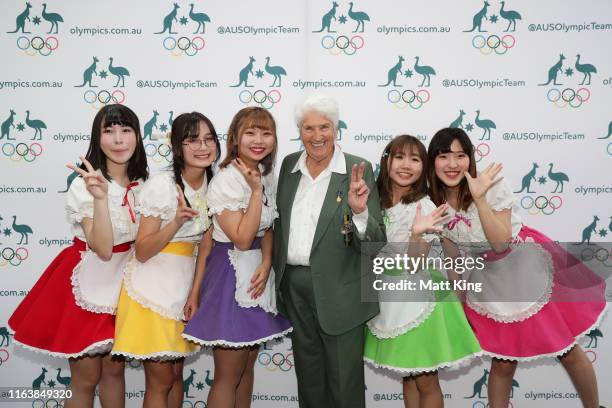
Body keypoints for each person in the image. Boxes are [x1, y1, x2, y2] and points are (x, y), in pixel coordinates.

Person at [428, 127, 606, 408]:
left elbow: (500, 243)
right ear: (432, 161)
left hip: (524, 267)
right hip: (489, 279)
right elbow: (451, 256)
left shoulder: (493, 184)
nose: (452, 164)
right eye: (444, 156)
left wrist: (479, 198)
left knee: (567, 351)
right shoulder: (433, 202)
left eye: (460, 155)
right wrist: (457, 300)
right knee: (502, 362)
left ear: (470, 159)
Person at [9, 104, 148, 408]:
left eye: (126, 130)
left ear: (137, 136)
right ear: (97, 139)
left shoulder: (146, 185)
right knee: (85, 377)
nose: (119, 139)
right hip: (88, 277)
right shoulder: (84, 185)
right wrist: (100, 199)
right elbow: (102, 247)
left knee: (114, 370)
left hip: (127, 281)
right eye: (109, 131)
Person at [273, 94, 386, 408]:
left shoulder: (357, 169)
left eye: (324, 127)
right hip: (294, 289)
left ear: (336, 129)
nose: (317, 136)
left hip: (341, 291)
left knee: (343, 383)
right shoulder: (287, 167)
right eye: (309, 128)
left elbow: (374, 242)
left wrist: (358, 213)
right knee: (309, 379)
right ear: (300, 131)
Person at [183, 107, 292, 408]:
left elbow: (267, 227)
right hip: (229, 276)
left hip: (256, 274)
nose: (259, 140)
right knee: (227, 375)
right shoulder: (228, 181)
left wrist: (268, 261)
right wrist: (255, 192)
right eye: (250, 132)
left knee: (247, 366)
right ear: (235, 138)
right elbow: (243, 239)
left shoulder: (264, 174)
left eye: (266, 133)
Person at [364, 135, 482, 408]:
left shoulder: (425, 206)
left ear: (423, 166)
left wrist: (417, 234)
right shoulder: (373, 201)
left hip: (420, 300)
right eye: (400, 157)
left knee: (426, 380)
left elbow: (415, 265)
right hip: (389, 296)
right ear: (387, 161)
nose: (406, 165)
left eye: (415, 159)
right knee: (409, 375)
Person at [111, 112, 220, 408]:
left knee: (175, 374)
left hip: (184, 285)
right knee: (160, 380)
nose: (203, 146)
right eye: (193, 140)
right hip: (152, 287)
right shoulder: (162, 185)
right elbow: (143, 250)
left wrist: (195, 293)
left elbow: (206, 245)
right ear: (177, 146)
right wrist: (175, 222)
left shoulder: (214, 184)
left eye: (209, 139)